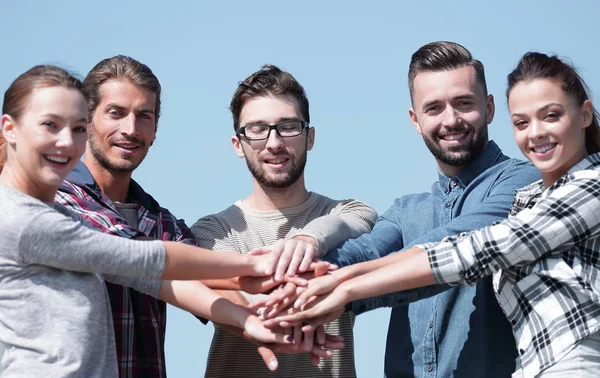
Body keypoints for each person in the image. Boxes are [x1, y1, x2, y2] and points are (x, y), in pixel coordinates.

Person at [276, 52, 600, 378]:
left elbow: (459, 248)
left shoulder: (527, 184)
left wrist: (342, 289)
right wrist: (297, 285)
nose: (450, 120)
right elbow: (363, 252)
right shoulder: (406, 210)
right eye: (434, 108)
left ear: (489, 109)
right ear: (415, 120)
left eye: (463, 103)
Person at [0, 65, 288, 377]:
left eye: (144, 116)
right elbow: (140, 256)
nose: (131, 129)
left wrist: (252, 319)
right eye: (115, 113)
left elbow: (194, 278)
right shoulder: (51, 207)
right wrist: (253, 266)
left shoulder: (162, 223)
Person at [191, 64, 377, 378]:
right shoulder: (210, 232)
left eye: (288, 126)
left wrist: (307, 241)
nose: (274, 143)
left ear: (310, 137)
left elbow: (358, 219)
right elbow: (229, 300)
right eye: (257, 129)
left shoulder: (347, 213)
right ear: (238, 144)